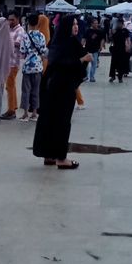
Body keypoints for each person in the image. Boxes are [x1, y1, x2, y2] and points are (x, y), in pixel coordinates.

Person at [33, 16, 90, 168]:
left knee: (51, 120)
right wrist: (82, 60)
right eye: (73, 24)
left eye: (77, 24)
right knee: (61, 122)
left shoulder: (62, 41)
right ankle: (61, 158)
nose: (76, 27)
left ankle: (49, 155)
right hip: (61, 87)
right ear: (66, 26)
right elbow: (60, 62)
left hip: (54, 86)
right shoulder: (65, 43)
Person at [19, 12, 47, 120]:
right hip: (38, 66)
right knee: (36, 90)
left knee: (26, 91)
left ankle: (25, 113)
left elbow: (22, 51)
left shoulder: (25, 36)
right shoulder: (42, 35)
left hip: (27, 67)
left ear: (28, 23)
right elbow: (44, 51)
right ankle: (34, 113)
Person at [0, 10, 25, 121]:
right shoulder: (8, 29)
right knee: (10, 86)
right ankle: (12, 108)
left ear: (17, 19)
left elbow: (18, 43)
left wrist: (6, 41)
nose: (10, 21)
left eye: (12, 19)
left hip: (13, 62)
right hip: (7, 61)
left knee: (10, 86)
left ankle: (11, 111)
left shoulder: (20, 30)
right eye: (9, 19)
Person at [108, 17, 132, 83]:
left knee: (121, 63)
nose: (119, 25)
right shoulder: (115, 30)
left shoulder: (125, 31)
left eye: (120, 23)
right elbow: (111, 39)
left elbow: (128, 39)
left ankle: (120, 77)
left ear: (122, 24)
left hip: (122, 49)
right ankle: (112, 76)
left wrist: (128, 46)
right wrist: (111, 32)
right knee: (113, 63)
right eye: (118, 23)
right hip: (115, 49)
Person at [83, 17, 104, 82]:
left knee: (94, 64)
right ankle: (86, 76)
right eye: (95, 23)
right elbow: (84, 38)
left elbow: (102, 39)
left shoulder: (99, 31)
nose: (96, 24)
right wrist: (82, 45)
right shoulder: (88, 30)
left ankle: (92, 77)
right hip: (87, 49)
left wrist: (101, 46)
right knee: (86, 64)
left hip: (95, 49)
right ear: (91, 24)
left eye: (97, 23)